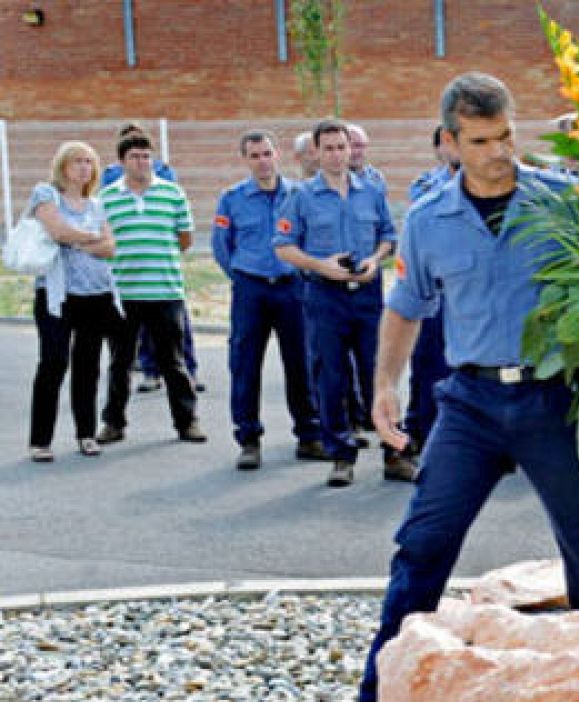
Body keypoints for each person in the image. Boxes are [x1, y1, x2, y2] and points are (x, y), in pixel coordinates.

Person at [331, 72, 579, 702]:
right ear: (449, 143)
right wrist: (385, 384)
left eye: (506, 135)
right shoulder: (428, 221)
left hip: (553, 397)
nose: (499, 151)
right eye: (480, 140)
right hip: (468, 404)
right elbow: (406, 308)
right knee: (423, 543)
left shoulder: (564, 205)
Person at [272, 119, 404, 486]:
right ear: (316, 152)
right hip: (324, 296)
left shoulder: (372, 191)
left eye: (341, 147)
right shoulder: (300, 196)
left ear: (351, 149)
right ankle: (341, 455)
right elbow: (283, 247)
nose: (335, 154)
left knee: (379, 374)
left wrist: (375, 260)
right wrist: (321, 266)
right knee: (330, 375)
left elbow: (388, 237)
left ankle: (395, 452)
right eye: (327, 148)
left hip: (367, 295)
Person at [213, 130, 325, 469]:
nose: (262, 161)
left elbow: (312, 237)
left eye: (266, 154)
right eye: (254, 155)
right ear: (245, 160)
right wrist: (242, 276)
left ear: (277, 155)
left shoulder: (299, 194)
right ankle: (248, 438)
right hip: (252, 288)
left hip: (292, 286)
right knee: (245, 363)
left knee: (301, 362)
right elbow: (221, 246)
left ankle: (309, 434)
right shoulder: (231, 198)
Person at [96, 130, 207, 445]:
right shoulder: (106, 198)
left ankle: (187, 422)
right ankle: (113, 423)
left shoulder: (173, 194)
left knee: (173, 361)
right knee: (120, 362)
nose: (142, 162)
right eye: (135, 157)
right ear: (121, 162)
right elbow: (102, 240)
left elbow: (184, 239)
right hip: (123, 294)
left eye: (146, 156)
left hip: (165, 291)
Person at [26, 142, 119, 462]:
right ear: (63, 166)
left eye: (89, 162)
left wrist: (82, 240)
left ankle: (86, 433)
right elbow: (57, 231)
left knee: (88, 366)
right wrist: (91, 238)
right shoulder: (46, 195)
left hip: (95, 293)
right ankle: (40, 440)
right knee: (53, 362)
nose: (84, 168)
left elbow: (110, 248)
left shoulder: (96, 205)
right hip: (58, 295)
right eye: (77, 161)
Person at [398, 125, 460, 466]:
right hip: (435, 291)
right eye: (447, 143)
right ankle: (421, 433)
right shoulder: (426, 186)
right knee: (428, 365)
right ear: (439, 150)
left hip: (470, 292)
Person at [346, 123, 388, 192]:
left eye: (358, 145)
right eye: (349, 146)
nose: (354, 151)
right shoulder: (329, 177)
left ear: (366, 148)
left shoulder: (376, 179)